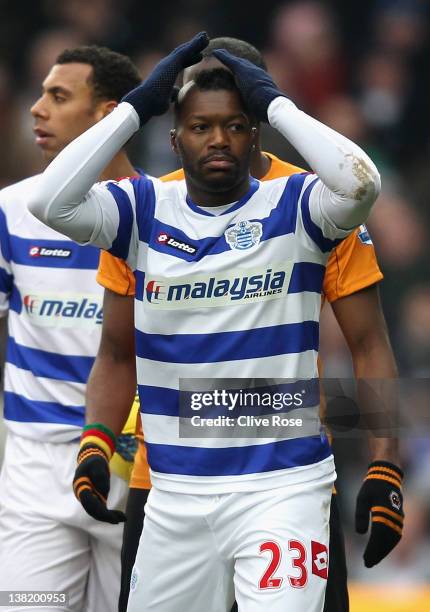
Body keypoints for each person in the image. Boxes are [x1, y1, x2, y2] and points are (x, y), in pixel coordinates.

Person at [29, 33, 400, 612]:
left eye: (236, 120)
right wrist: (137, 106)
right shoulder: (140, 210)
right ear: (175, 136)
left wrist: (384, 465)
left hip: (285, 486)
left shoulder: (304, 205)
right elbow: (50, 205)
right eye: (200, 126)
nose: (218, 139)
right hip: (170, 488)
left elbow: (362, 191)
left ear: (255, 123)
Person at [0, 45, 142, 612]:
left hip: (134, 465)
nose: (37, 109)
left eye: (59, 97)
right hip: (35, 469)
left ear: (107, 117)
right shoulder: (10, 211)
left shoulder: (161, 213)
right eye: (41, 93)